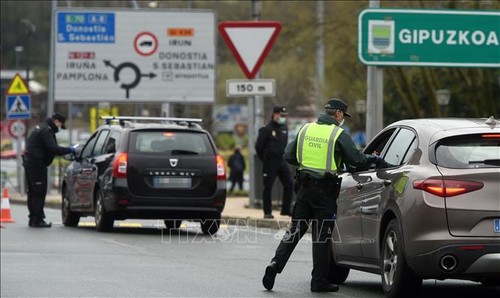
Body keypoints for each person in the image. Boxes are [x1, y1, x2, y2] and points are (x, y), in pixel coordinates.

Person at [262, 98, 390, 292]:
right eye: (343, 115)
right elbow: (357, 161)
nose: (342, 119)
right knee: (322, 236)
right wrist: (376, 159)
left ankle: (274, 264)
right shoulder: (338, 134)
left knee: (295, 230)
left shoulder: (306, 129)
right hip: (325, 191)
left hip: (304, 188)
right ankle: (318, 280)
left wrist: (307, 165)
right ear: (338, 114)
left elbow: (288, 155)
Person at [22, 113, 75, 228]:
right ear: (56, 122)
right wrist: (70, 149)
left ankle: (33, 219)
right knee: (39, 192)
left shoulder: (40, 127)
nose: (59, 128)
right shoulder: (46, 131)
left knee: (33, 192)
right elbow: (53, 148)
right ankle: (37, 219)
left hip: (31, 163)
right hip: (36, 164)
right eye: (60, 125)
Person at [255, 106, 294, 219]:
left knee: (289, 184)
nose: (283, 118)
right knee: (268, 186)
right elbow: (258, 147)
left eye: (284, 116)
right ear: (275, 115)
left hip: (281, 160)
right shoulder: (266, 129)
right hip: (269, 162)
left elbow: (284, 144)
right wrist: (265, 158)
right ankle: (267, 212)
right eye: (281, 115)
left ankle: (286, 209)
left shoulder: (284, 128)